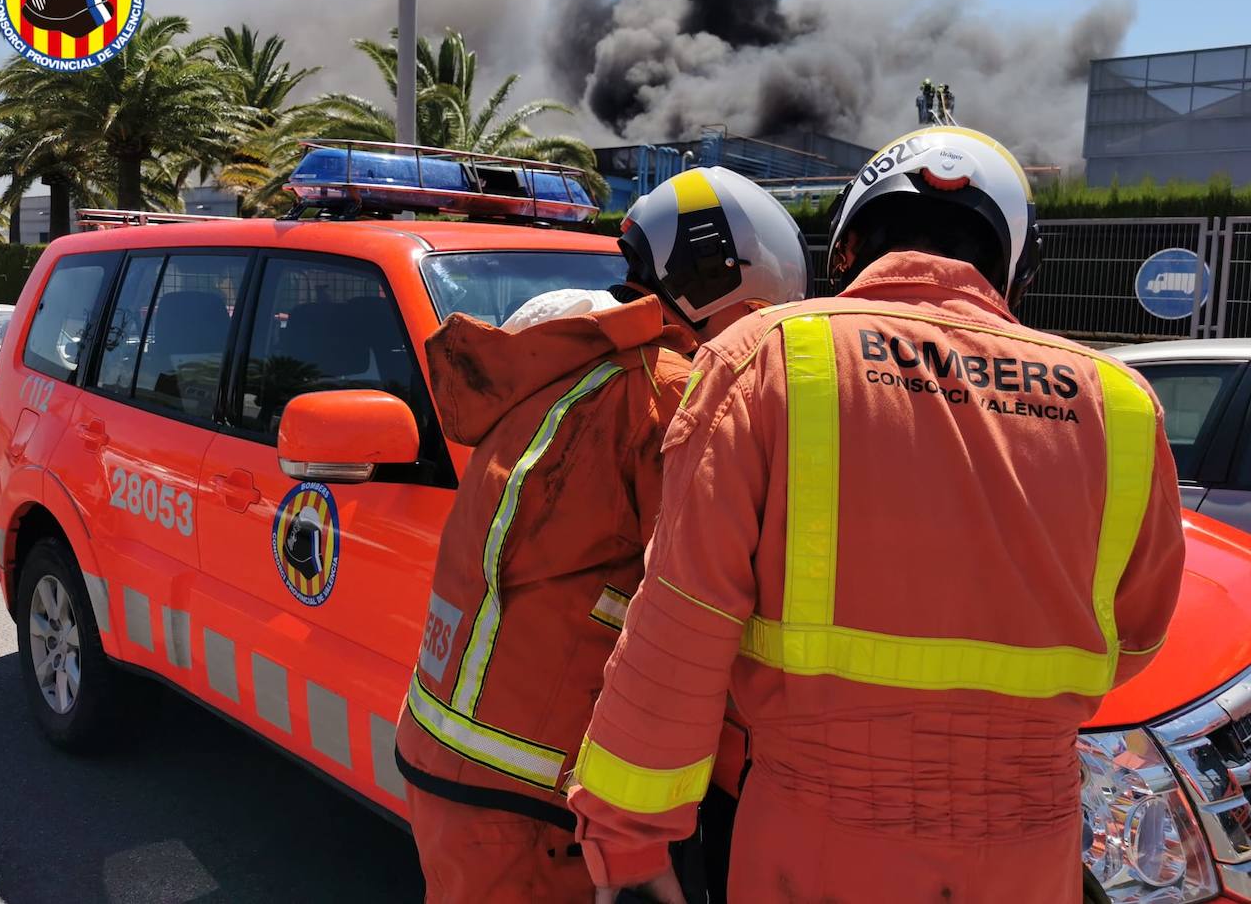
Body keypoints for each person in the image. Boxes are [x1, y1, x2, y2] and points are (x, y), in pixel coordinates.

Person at [568, 126, 1187, 903]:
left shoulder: (770, 357)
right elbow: (1138, 635)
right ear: (1015, 270)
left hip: (814, 841)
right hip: (1031, 851)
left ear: (848, 245)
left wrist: (628, 847)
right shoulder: (1121, 406)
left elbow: (681, 625)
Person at [393, 166, 812, 903]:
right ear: (721, 291)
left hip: (463, 766)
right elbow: (718, 590)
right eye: (760, 318)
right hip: (537, 796)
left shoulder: (574, 365)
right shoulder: (669, 392)